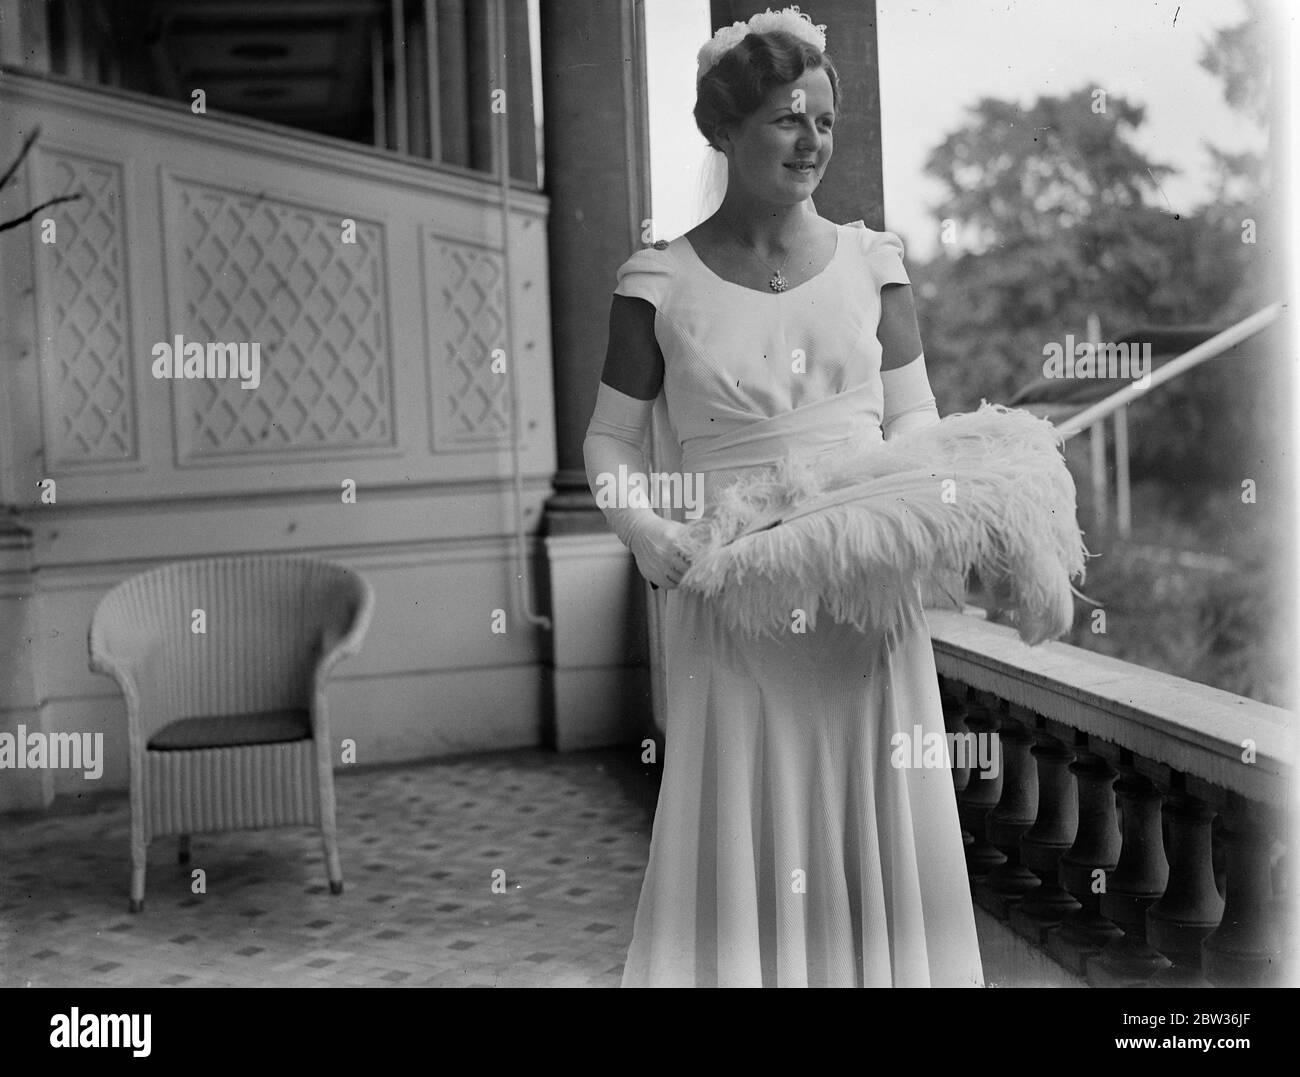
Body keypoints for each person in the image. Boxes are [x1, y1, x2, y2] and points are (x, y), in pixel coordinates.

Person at [583, 6, 985, 987]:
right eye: (784, 119)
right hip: (739, 609)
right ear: (724, 129)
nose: (810, 142)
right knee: (746, 831)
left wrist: (932, 508)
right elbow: (610, 439)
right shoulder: (657, 281)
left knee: (871, 829)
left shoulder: (872, 264)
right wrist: (642, 529)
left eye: (823, 122)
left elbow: (915, 417)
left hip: (863, 611)